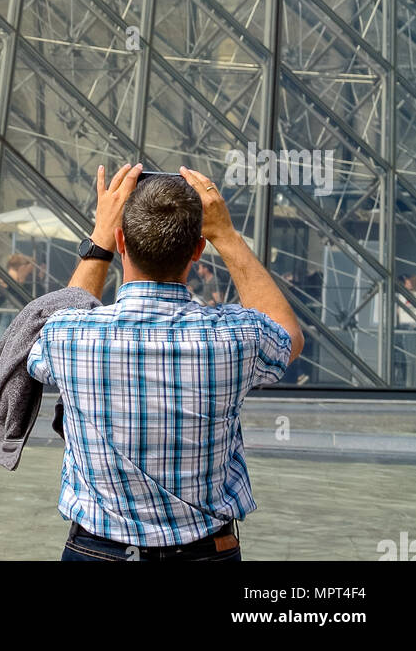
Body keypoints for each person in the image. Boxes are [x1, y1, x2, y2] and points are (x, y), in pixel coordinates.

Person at [26, 162, 303, 562]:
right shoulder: (237, 337)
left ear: (121, 242)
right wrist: (226, 233)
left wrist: (99, 239)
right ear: (197, 249)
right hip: (206, 551)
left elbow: (64, 310)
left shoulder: (66, 336)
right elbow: (288, 335)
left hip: (98, 549)